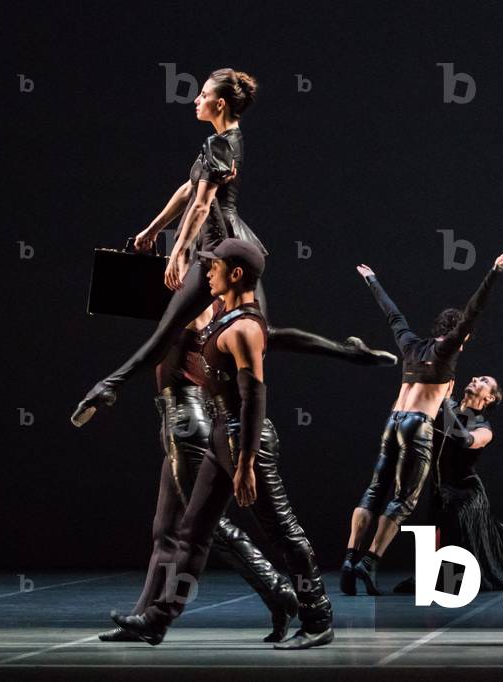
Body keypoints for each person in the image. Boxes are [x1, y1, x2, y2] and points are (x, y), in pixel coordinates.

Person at [71, 68, 392, 427]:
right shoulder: (222, 142)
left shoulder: (220, 144)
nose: (196, 100)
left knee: (178, 330)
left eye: (203, 94)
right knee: (252, 333)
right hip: (228, 247)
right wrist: (152, 229)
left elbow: (201, 205)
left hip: (220, 249)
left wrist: (178, 251)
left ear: (219, 103)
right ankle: (349, 351)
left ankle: (106, 388)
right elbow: (188, 189)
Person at [111, 239, 333, 650]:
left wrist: (245, 463)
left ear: (235, 273)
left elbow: (254, 398)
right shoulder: (224, 317)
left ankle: (316, 617)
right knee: (191, 531)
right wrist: (346, 351)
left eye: (212, 266)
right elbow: (282, 337)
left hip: (242, 437)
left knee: (282, 531)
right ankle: (157, 619)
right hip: (217, 432)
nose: (206, 271)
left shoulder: (240, 323)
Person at [96, 302, 297, 644]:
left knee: (205, 525)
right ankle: (143, 620)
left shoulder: (200, 299)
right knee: (166, 531)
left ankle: (278, 590)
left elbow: (198, 321)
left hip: (188, 418)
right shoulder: (188, 299)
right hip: (176, 416)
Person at [341, 249, 503, 595]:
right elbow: (474, 310)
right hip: (416, 424)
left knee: (374, 490)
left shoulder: (410, 345)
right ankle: (368, 562)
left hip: (392, 421)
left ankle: (349, 557)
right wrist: (493, 272)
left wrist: (372, 280)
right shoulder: (449, 349)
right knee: (404, 499)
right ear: (461, 336)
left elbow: (394, 316)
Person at [392, 375, 503, 593]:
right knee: (438, 529)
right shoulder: (445, 406)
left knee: (461, 524)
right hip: (438, 489)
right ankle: (430, 577)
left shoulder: (483, 427)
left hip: (466, 494)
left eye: (483, 381)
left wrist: (444, 401)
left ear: (489, 398)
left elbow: (464, 440)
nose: (474, 378)